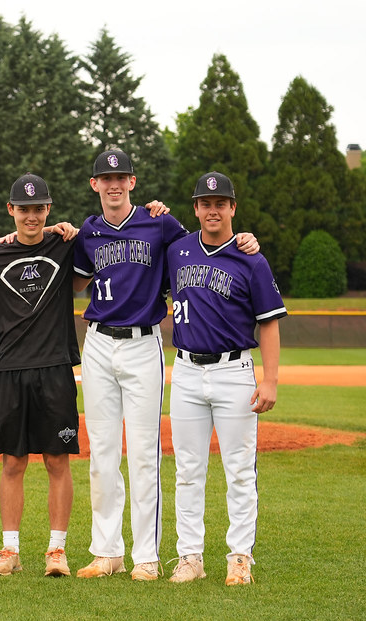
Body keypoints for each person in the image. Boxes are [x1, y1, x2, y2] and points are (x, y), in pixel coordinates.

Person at [72, 150, 258, 580]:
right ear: (94, 184)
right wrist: (62, 232)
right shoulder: (89, 230)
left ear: (133, 182)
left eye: (121, 176)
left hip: (142, 343)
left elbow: (206, 248)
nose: (114, 183)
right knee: (102, 453)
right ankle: (106, 551)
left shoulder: (161, 223)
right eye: (105, 177)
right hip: (97, 342)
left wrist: (246, 240)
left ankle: (147, 557)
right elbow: (79, 277)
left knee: (143, 454)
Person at [166, 172, 285, 586]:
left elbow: (268, 323)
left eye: (221, 203)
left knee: (239, 470)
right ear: (195, 208)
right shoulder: (177, 250)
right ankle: (190, 556)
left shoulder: (251, 257)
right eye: (205, 203)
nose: (212, 209)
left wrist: (269, 380)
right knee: (187, 470)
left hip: (234, 372)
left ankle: (239, 556)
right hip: (184, 371)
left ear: (233, 207)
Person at [0, 174, 81, 578]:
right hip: (10, 370)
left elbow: (111, 233)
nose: (31, 216)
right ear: (11, 210)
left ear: (48, 210)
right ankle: (10, 549)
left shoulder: (66, 244)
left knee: (57, 461)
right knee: (13, 463)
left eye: (39, 209)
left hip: (54, 369)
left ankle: (56, 550)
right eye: (24, 209)